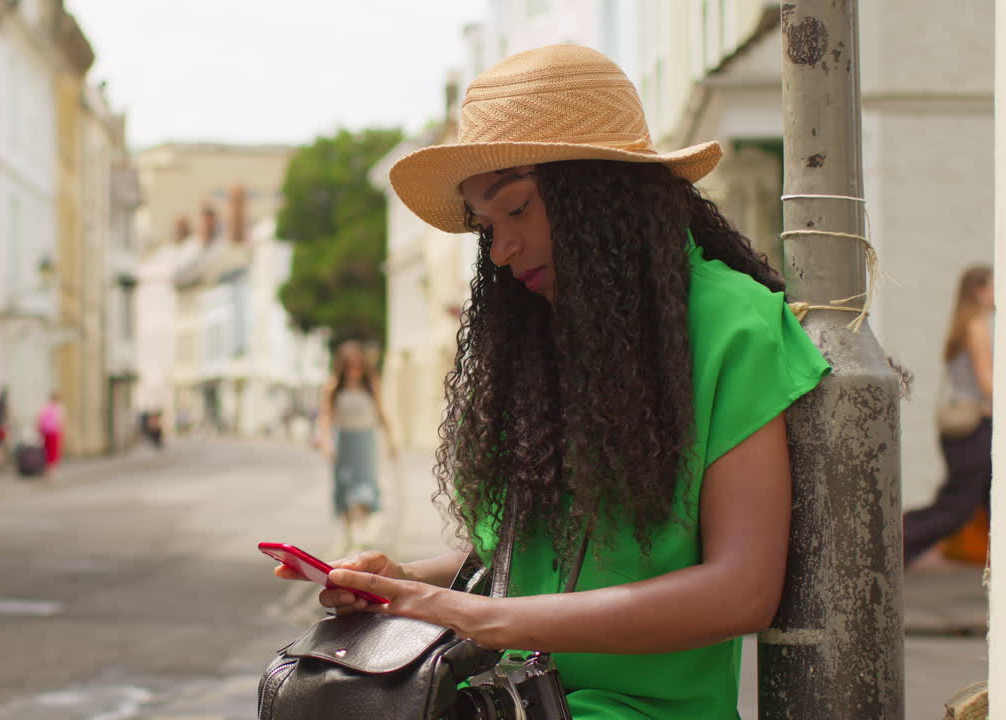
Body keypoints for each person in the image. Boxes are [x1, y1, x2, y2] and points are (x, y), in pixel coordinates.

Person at [275, 45, 830, 718]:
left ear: (595, 193)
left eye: (516, 210)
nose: (501, 250)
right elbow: (524, 558)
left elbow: (741, 591)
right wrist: (404, 582)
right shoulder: (540, 334)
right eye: (486, 227)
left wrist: (486, 618)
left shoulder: (736, 325)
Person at [903, 266, 994, 566]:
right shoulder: (976, 326)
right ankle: (889, 543)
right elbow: (987, 382)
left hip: (969, 431)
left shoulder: (964, 323)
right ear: (980, 290)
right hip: (974, 431)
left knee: (989, 501)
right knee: (955, 509)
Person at [317, 340, 398, 551]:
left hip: (366, 441)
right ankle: (347, 533)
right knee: (345, 488)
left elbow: (381, 412)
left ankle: (359, 533)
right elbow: (325, 417)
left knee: (364, 488)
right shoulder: (333, 386)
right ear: (343, 366)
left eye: (358, 364)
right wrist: (326, 442)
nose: (354, 369)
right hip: (344, 441)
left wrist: (391, 441)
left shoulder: (371, 384)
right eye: (350, 365)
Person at [37, 392, 65, 479]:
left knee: (46, 450)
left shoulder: (46, 407)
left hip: (45, 432)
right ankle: (51, 471)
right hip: (53, 432)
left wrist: (40, 430)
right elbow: (60, 421)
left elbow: (40, 419)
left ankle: (47, 470)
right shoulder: (58, 408)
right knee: (52, 451)